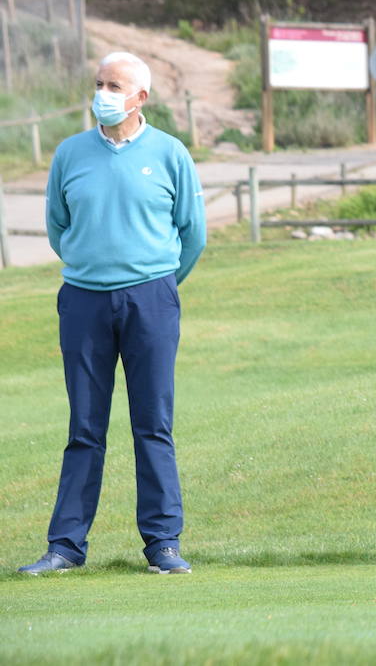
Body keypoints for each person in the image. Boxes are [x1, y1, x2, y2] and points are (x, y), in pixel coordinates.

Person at [20, 51, 206, 576]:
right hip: (82, 301)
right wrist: (93, 268)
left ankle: (163, 543)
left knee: (153, 424)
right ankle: (65, 547)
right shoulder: (70, 154)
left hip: (151, 301)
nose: (102, 93)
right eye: (98, 83)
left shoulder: (170, 153)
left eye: (114, 85)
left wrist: (160, 284)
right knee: (84, 427)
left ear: (140, 97)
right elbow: (59, 227)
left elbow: (193, 234)